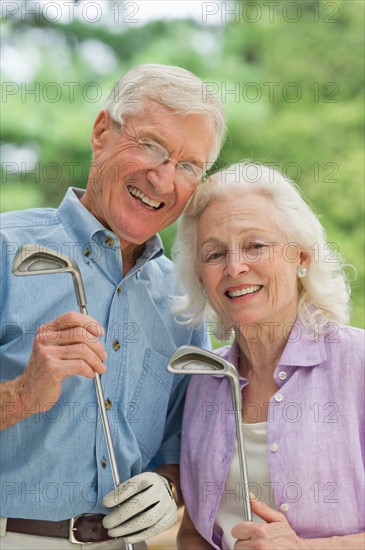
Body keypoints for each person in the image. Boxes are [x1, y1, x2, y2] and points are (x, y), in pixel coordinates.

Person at [0, 64, 226, 549]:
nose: (163, 179)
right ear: (102, 132)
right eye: (151, 146)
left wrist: (167, 487)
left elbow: (182, 444)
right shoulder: (4, 249)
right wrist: (22, 393)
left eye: (188, 167)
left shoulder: (184, 300)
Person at [172, 162, 364, 549]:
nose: (235, 267)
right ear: (200, 277)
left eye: (256, 245)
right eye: (214, 254)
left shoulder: (357, 363)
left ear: (302, 258)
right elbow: (193, 534)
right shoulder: (201, 383)